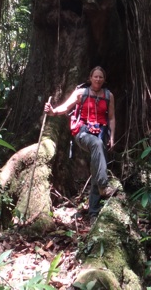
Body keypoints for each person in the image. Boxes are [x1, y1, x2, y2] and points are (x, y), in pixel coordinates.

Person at [44, 66, 116, 218]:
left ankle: (93, 212)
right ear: (90, 78)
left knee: (97, 165)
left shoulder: (109, 96)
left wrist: (112, 137)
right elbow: (65, 107)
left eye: (101, 77)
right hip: (83, 132)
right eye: (95, 76)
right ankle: (104, 185)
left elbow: (111, 118)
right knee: (97, 146)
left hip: (101, 133)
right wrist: (53, 111)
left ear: (104, 79)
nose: (98, 79)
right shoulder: (80, 93)